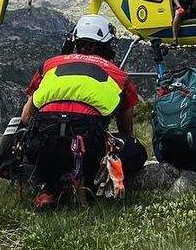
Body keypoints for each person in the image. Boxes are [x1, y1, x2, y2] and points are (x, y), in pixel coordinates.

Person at [20, 15, 147, 209]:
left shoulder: (49, 65)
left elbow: (26, 117)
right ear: (108, 46)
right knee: (135, 150)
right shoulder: (119, 75)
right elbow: (125, 128)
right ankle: (85, 182)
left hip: (41, 146)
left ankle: (48, 186)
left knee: (38, 143)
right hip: (87, 148)